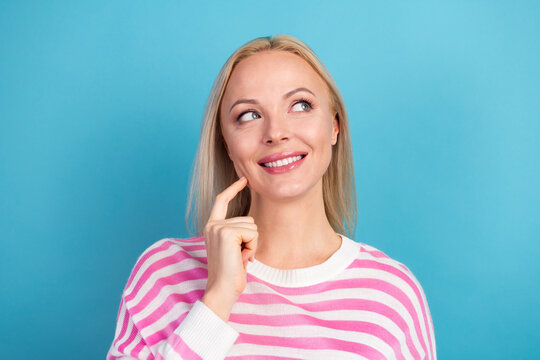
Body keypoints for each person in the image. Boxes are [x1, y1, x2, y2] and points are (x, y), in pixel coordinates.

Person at [106, 34, 436, 359]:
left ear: (334, 126)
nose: (276, 132)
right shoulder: (165, 274)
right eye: (249, 115)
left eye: (301, 105)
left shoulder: (392, 295)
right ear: (227, 145)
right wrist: (218, 297)